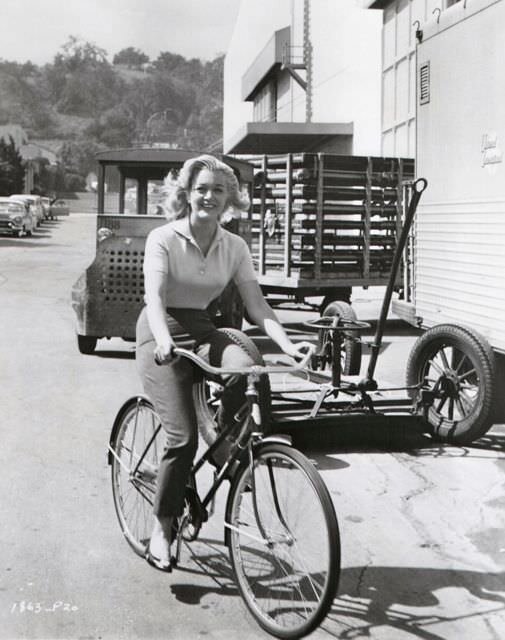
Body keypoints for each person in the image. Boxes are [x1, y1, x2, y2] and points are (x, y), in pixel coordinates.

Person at [136, 154, 312, 572]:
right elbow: (155, 300)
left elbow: (257, 305)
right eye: (201, 189)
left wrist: (287, 346)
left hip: (201, 327)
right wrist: (162, 341)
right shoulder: (163, 238)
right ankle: (162, 530)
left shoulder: (234, 246)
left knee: (245, 366)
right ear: (187, 193)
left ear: (229, 199)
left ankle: (225, 449)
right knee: (181, 439)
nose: (209, 197)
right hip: (159, 331)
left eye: (218, 190)